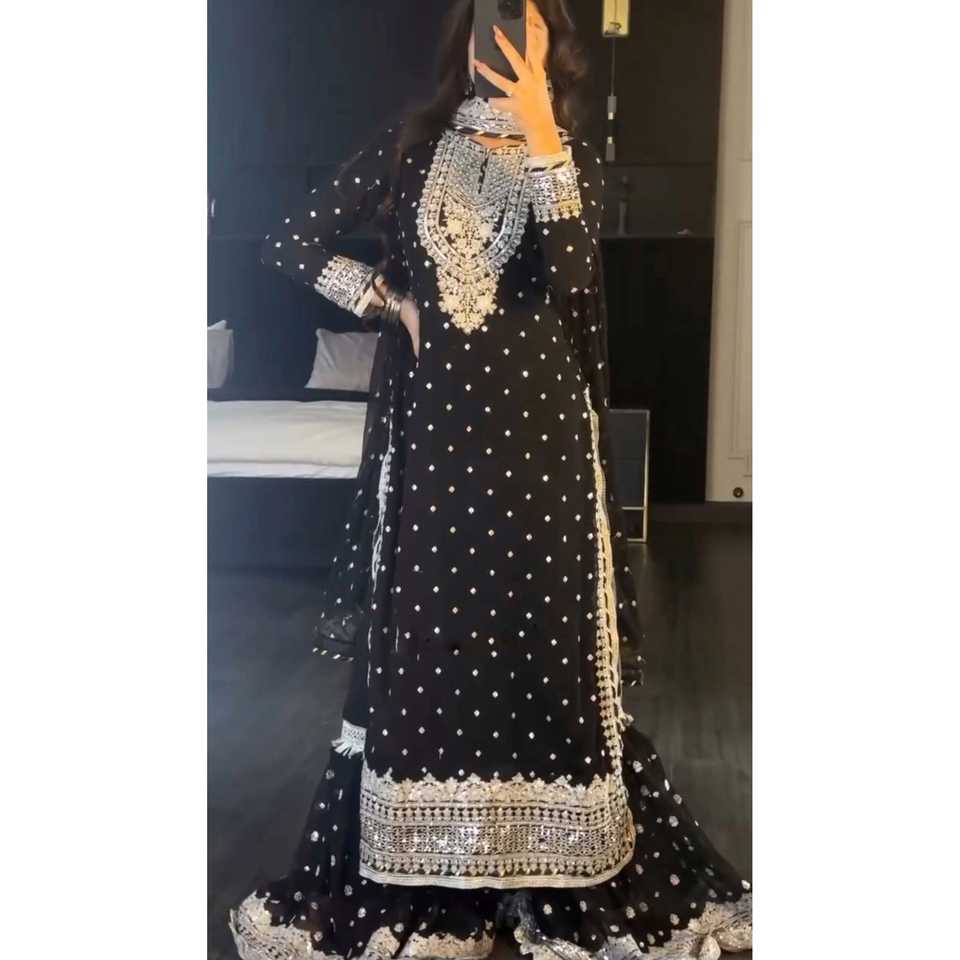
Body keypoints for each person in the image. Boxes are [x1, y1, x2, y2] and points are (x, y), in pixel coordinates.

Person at [229, 2, 752, 957]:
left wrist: (543, 130)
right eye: (490, 19)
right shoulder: (410, 148)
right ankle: (434, 860)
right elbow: (291, 239)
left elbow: (576, 277)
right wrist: (386, 300)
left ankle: (553, 858)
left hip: (542, 444)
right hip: (438, 441)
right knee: (438, 629)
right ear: (464, 37)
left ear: (554, 40)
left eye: (526, 23)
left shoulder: (569, 157)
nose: (505, 38)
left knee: (540, 625)